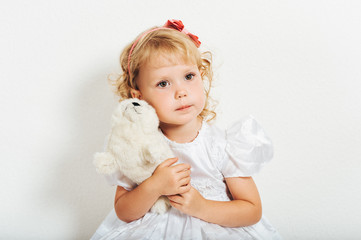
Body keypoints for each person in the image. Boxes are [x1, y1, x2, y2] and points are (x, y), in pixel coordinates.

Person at [91, 19, 282, 240]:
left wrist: (202, 207)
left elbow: (252, 210)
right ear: (139, 96)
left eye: (189, 76)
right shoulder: (136, 146)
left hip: (216, 226)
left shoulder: (222, 145)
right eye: (163, 83)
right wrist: (155, 186)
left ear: (202, 76)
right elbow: (124, 212)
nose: (181, 91)